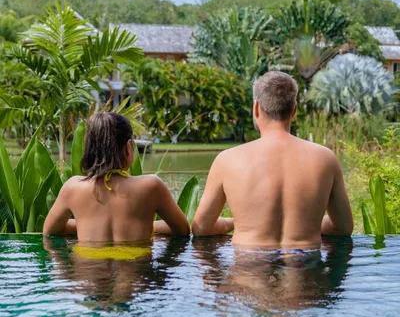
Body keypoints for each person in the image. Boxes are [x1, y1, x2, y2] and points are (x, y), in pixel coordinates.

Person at [192, 71, 353, 249]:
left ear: (256, 108)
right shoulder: (325, 159)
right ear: (294, 110)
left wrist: (237, 223)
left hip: (249, 266)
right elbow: (343, 228)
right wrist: (309, 224)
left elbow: (201, 228)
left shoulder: (227, 160)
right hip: (305, 268)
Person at [43, 112, 190, 242]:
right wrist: (147, 225)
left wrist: (85, 223)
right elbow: (182, 230)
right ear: (128, 147)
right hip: (136, 270)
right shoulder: (151, 186)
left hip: (87, 271)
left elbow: (50, 231)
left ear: (88, 149)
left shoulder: (73, 187)